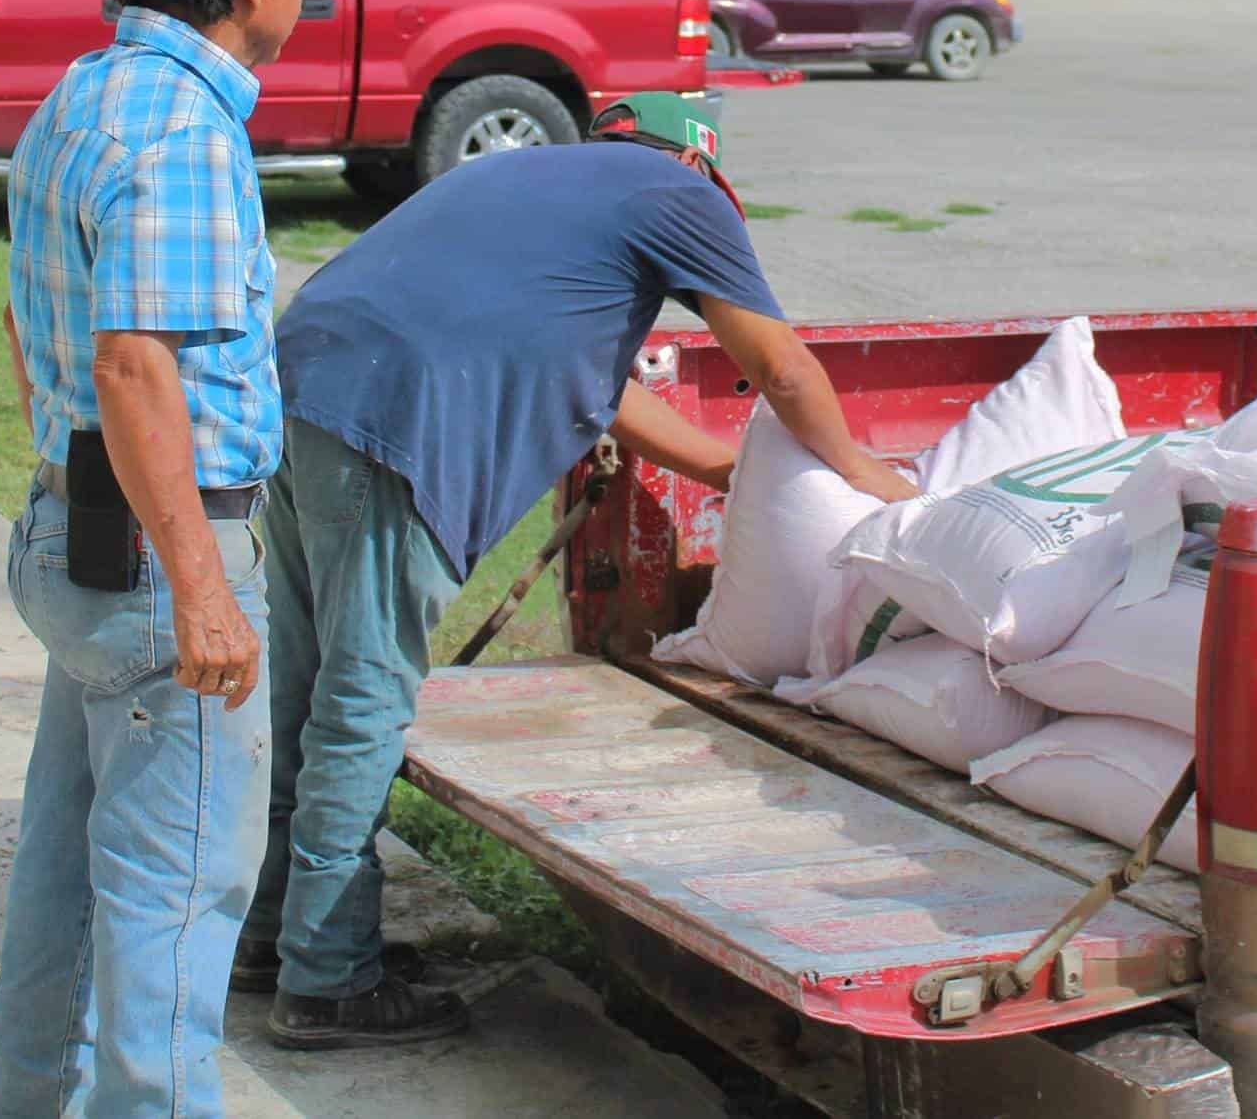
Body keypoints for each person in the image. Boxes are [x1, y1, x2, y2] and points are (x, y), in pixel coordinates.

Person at [237, 91, 915, 1049]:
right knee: (363, 700)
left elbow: (598, 397)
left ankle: (270, 939)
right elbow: (785, 368)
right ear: (697, 168)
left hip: (303, 387)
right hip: (397, 420)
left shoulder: (528, 174)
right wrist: (859, 472)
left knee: (304, 695)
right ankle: (330, 980)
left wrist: (733, 471)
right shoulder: (679, 194)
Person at [0, 0, 306, 1118]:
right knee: (173, 911)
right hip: (156, 572)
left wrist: (77, 476)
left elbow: (33, 328)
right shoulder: (182, 130)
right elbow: (134, 367)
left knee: (63, 888)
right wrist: (201, 590)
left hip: (74, 539)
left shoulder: (86, 93)